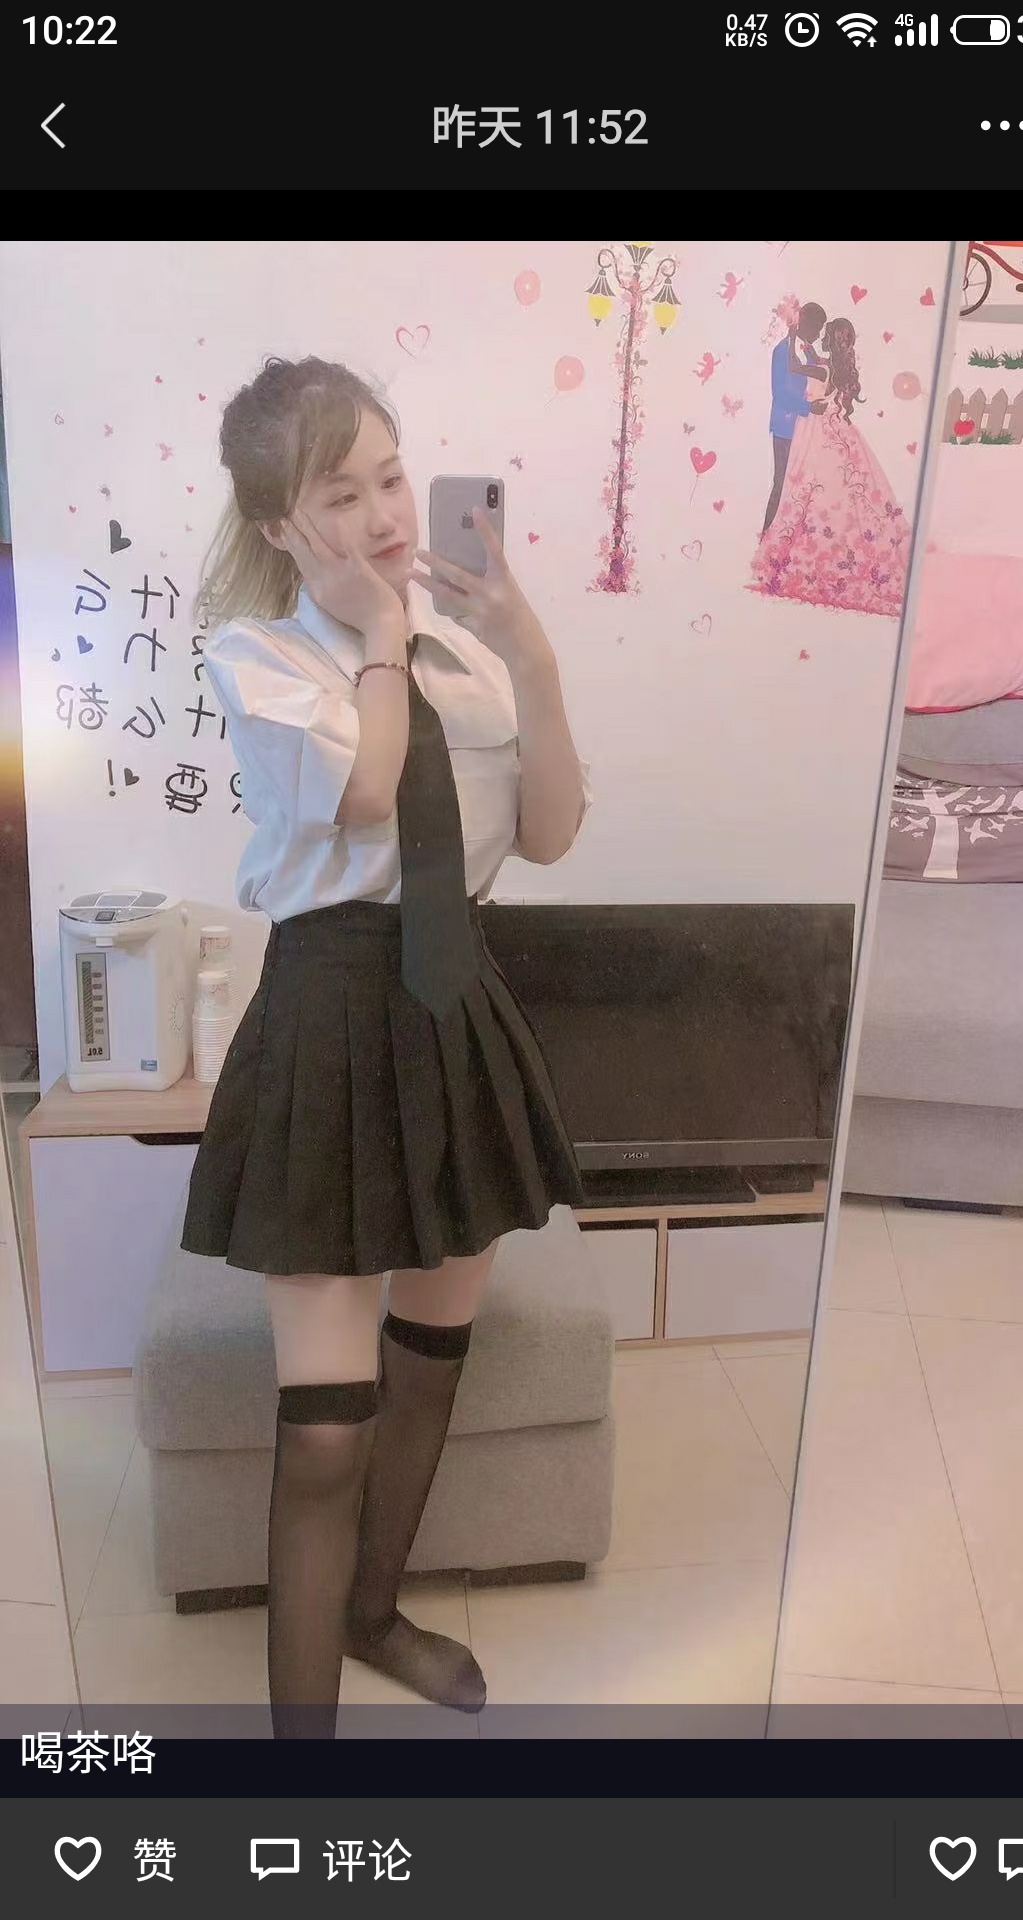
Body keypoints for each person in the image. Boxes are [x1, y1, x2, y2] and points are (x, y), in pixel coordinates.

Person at [181, 355, 592, 1738]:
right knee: (325, 1433)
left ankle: (373, 1612)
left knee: (429, 1365)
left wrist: (530, 655)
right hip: (327, 1017)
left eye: (393, 479)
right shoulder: (260, 658)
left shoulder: (470, 657)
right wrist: (375, 635)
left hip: (455, 1007)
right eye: (341, 494)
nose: (383, 515)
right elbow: (364, 794)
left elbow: (549, 835)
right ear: (279, 525)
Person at [750, 317, 912, 617]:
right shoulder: (831, 367)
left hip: (814, 429)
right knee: (825, 489)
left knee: (806, 485)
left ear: (832, 340)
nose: (821, 337)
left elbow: (794, 367)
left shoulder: (822, 368)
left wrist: (791, 335)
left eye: (826, 333)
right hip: (824, 427)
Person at [761, 301, 827, 534]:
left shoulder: (808, 350)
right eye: (816, 328)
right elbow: (780, 393)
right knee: (782, 483)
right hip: (786, 427)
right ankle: (767, 535)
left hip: (805, 429)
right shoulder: (782, 350)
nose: (818, 335)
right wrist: (808, 407)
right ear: (804, 321)